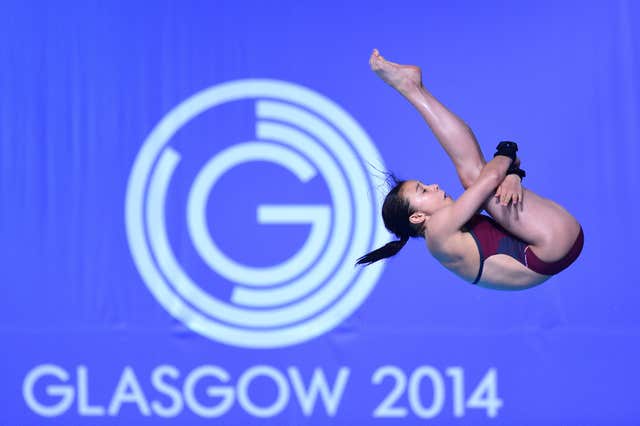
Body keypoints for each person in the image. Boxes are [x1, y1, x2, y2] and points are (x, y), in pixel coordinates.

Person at [357, 49, 583, 290]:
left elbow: (500, 173)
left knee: (477, 178)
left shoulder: (445, 232)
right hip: (553, 244)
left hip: (552, 245)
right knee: (474, 177)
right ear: (417, 217)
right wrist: (506, 151)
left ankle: (412, 87)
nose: (433, 186)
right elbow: (492, 176)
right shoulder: (437, 233)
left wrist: (513, 174)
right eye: (423, 191)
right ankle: (411, 88)